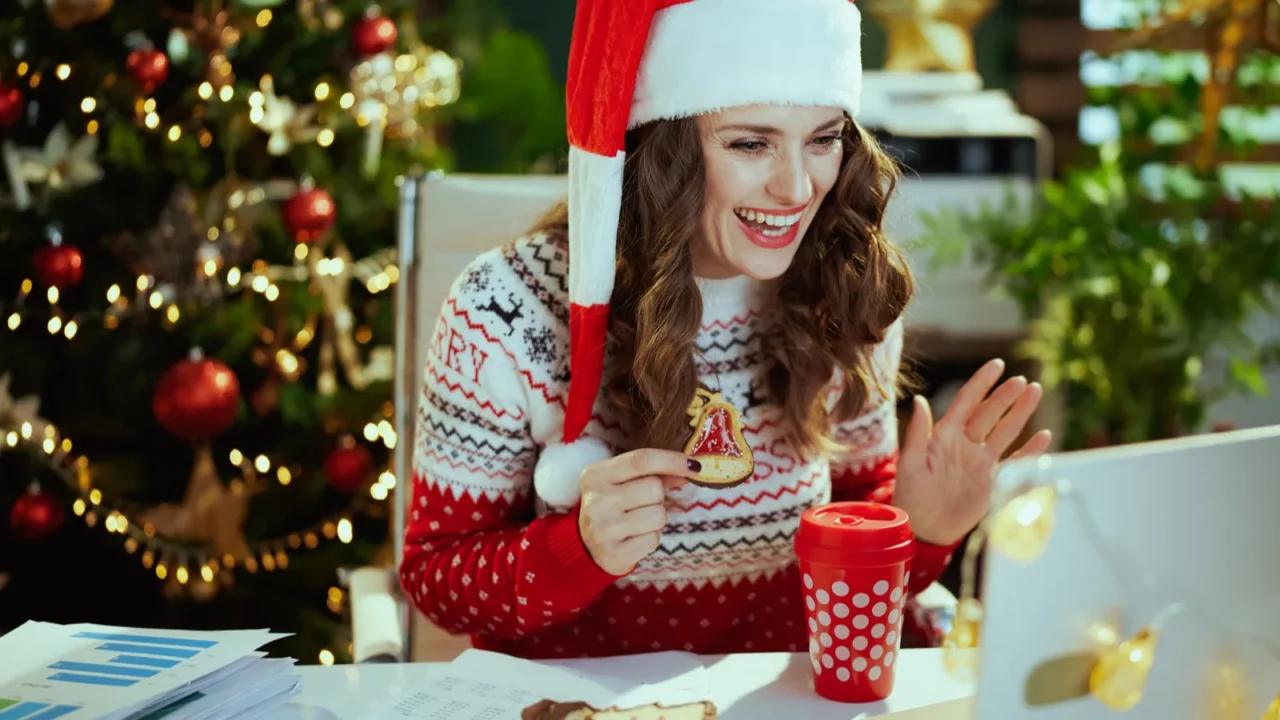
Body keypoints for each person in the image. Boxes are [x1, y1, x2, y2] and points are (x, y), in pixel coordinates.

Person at [399, 0, 1050, 659]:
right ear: (665, 147)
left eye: (823, 139)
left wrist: (920, 531)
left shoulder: (847, 285)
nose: (796, 187)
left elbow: (858, 560)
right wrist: (577, 551)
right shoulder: (505, 308)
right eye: (750, 143)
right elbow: (435, 581)